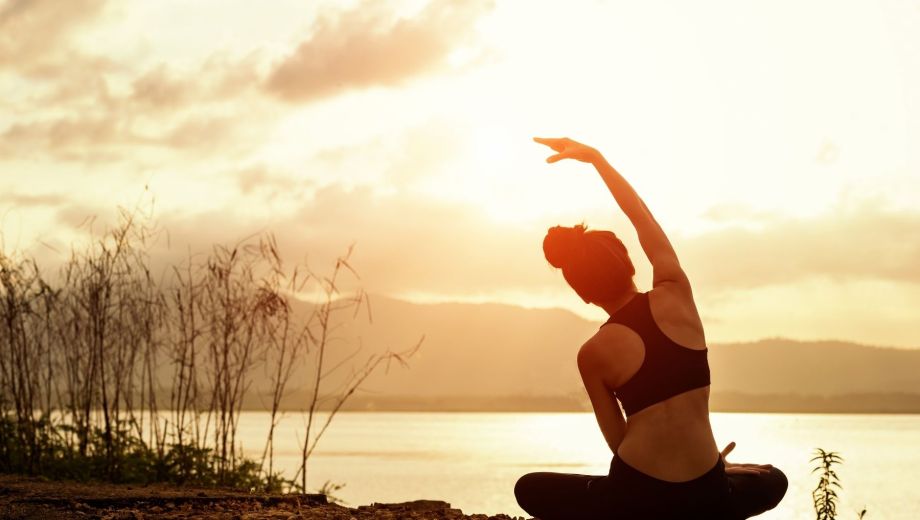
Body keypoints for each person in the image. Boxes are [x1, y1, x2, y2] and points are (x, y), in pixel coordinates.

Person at [514, 137, 788, 519]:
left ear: (584, 294)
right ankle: (712, 482)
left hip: (635, 497)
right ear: (628, 263)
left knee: (529, 488)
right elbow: (642, 216)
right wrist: (597, 160)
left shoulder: (592, 354)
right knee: (772, 479)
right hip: (706, 493)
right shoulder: (676, 295)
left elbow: (619, 441)